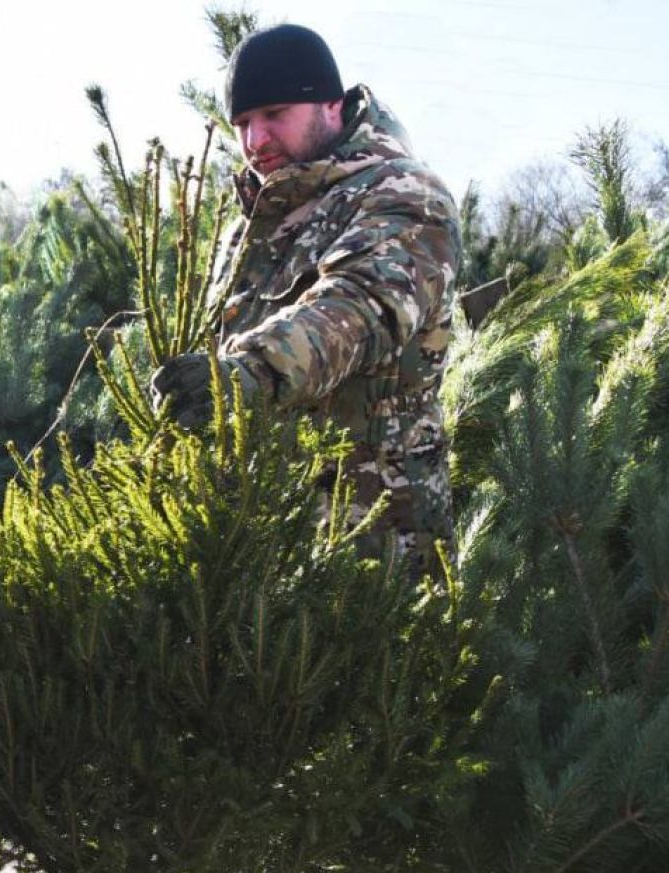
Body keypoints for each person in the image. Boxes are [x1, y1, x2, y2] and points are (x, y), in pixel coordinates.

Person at [151, 23, 461, 575]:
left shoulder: (403, 194)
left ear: (332, 107)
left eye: (274, 114)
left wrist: (247, 376)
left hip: (378, 539)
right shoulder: (252, 228)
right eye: (242, 123)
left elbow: (360, 307)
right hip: (267, 536)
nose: (255, 142)